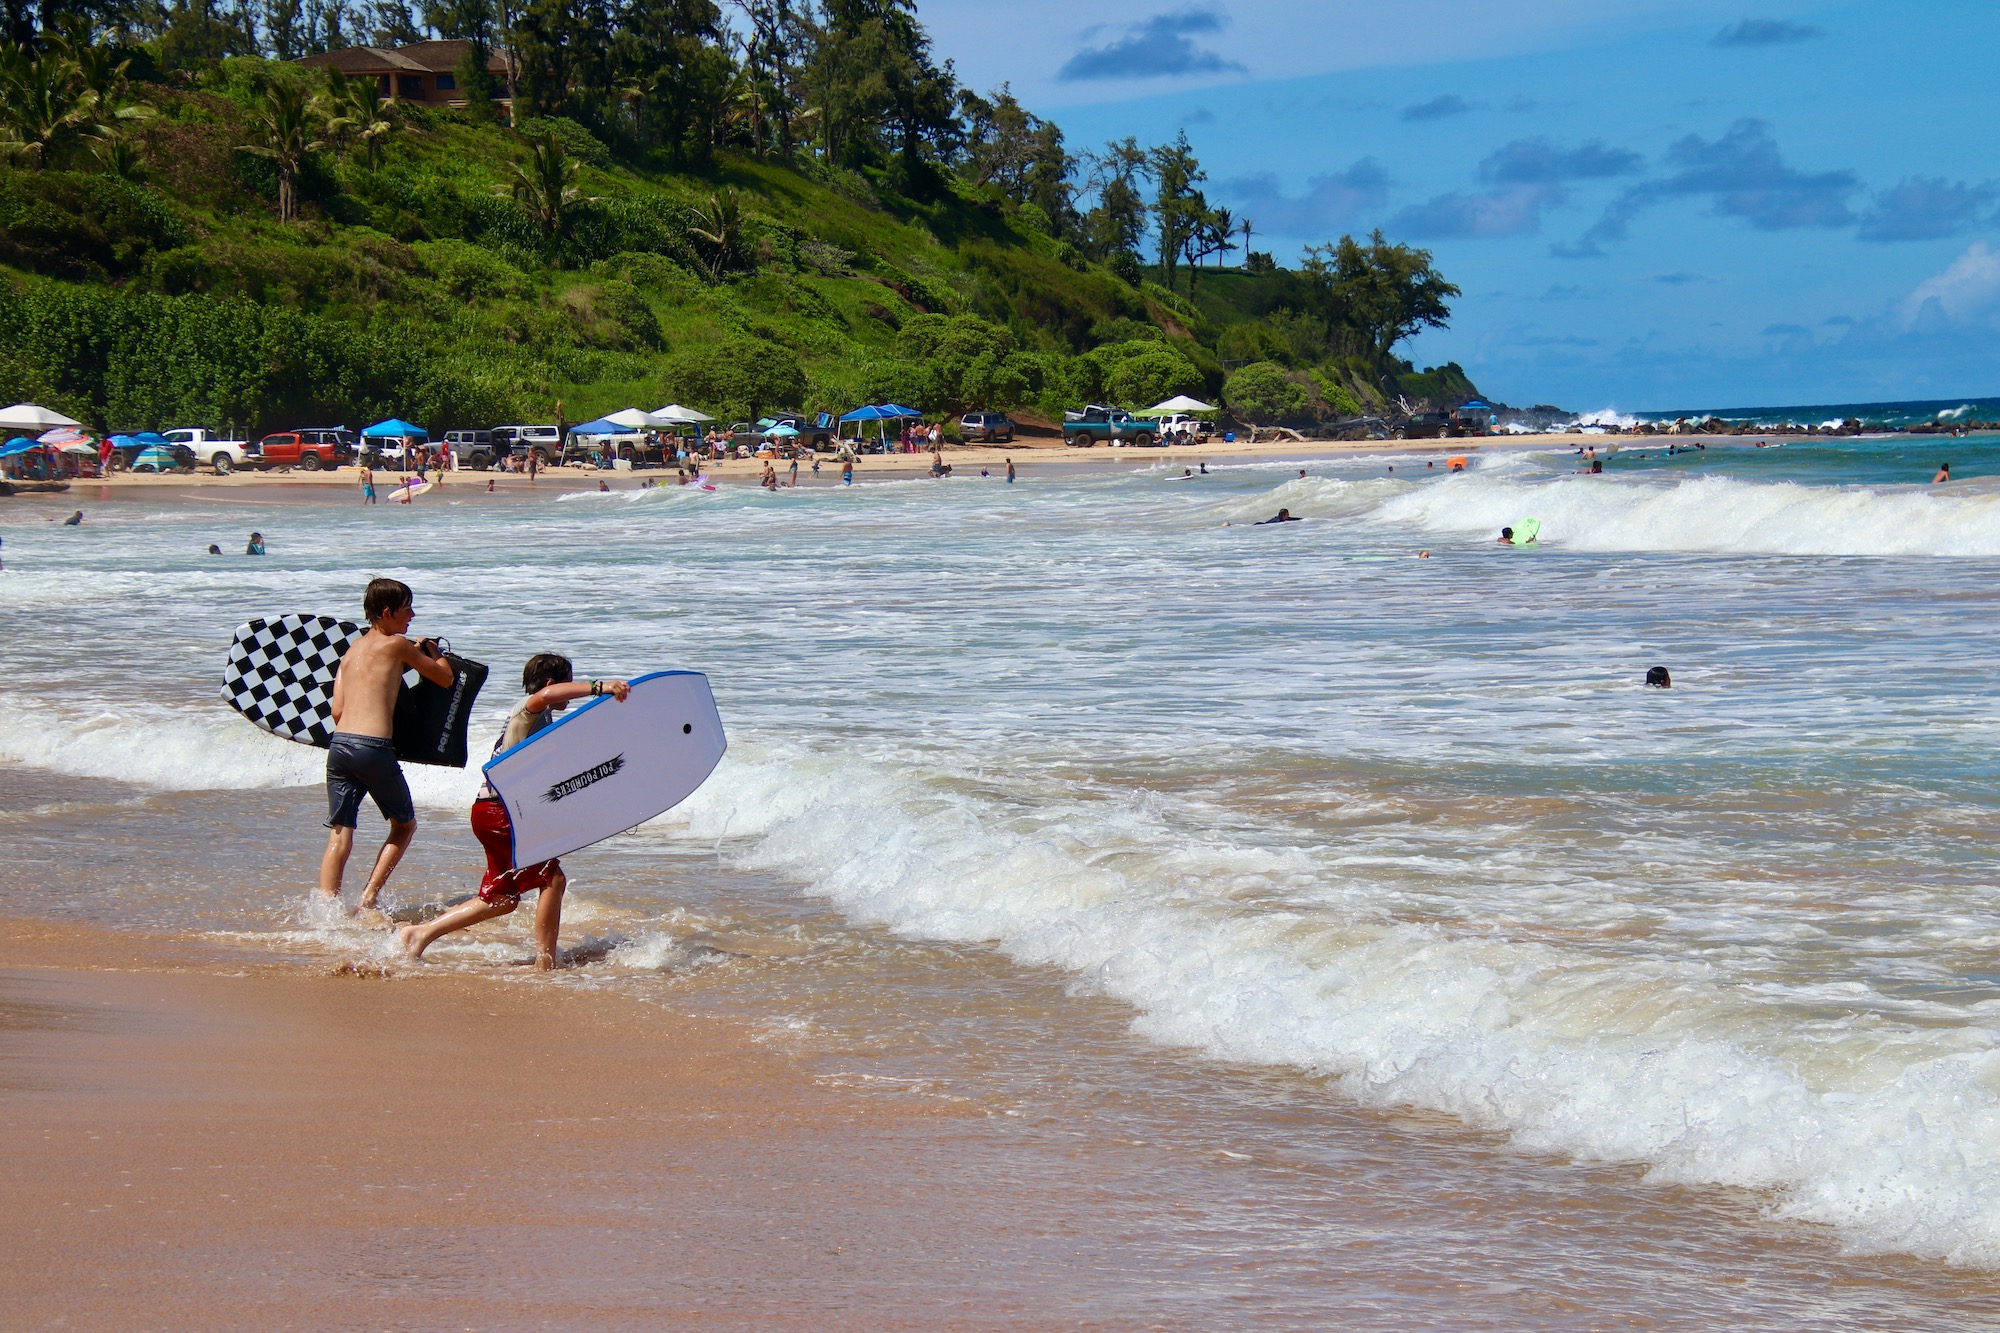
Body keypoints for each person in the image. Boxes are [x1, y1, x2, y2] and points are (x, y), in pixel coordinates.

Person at [397, 656, 629, 969]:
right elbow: (545, 697)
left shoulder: (541, 723)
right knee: (552, 878)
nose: (568, 694)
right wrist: (600, 687)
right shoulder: (529, 709)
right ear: (551, 684)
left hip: (492, 811)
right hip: (501, 812)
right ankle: (545, 964)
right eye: (567, 683)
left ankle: (420, 934)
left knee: (500, 899)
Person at [320, 578, 456, 914]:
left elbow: (336, 711)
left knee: (340, 832)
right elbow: (445, 678)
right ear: (386, 612)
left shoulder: (350, 654)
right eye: (407, 607)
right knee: (404, 825)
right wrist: (432, 650)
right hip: (373, 747)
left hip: (339, 748)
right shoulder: (397, 644)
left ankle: (327, 910)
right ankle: (368, 898)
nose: (412, 614)